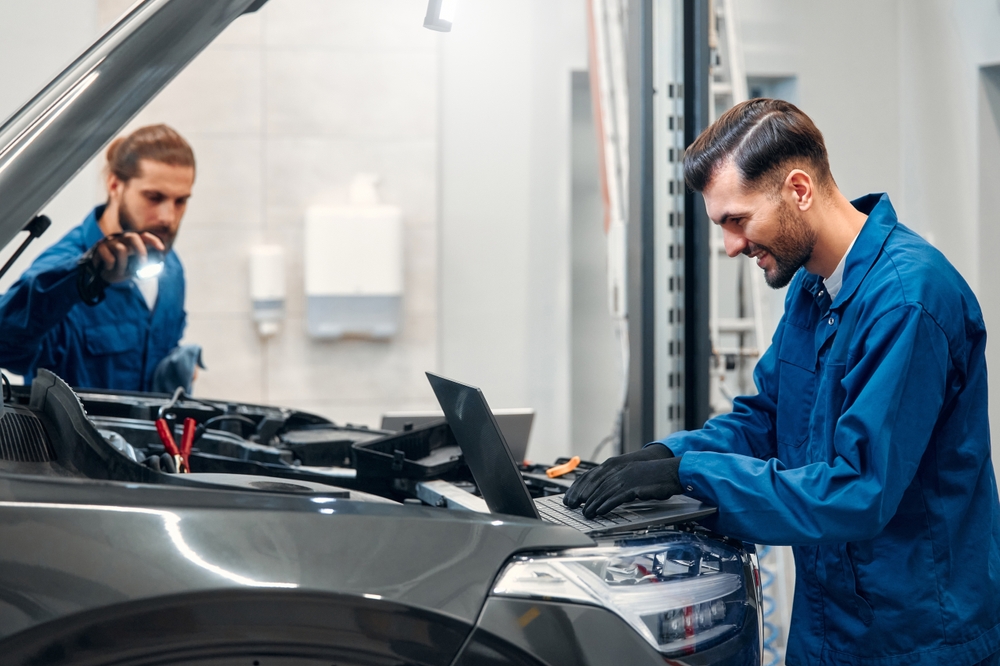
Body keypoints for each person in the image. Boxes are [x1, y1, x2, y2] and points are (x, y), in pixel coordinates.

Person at [565, 99, 1000, 665]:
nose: (730, 246)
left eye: (736, 220)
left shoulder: (907, 300)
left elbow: (858, 490)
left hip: (918, 640)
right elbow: (768, 417)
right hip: (828, 626)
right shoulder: (813, 288)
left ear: (798, 189)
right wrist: (661, 457)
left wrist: (690, 475)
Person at [0, 124, 194, 392]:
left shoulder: (171, 269)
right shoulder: (64, 269)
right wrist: (80, 279)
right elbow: (7, 347)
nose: (168, 217)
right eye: (154, 197)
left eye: (180, 201)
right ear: (115, 184)